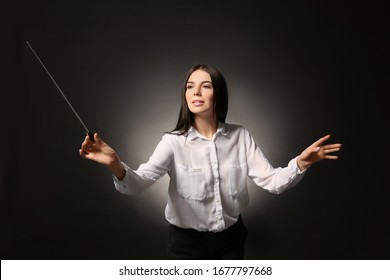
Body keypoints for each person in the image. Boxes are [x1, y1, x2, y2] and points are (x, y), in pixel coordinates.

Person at [79, 64, 342, 260]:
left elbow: (273, 182)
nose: (196, 91)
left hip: (231, 241)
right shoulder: (172, 142)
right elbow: (138, 182)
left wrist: (301, 162)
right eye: (190, 86)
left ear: (218, 93)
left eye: (205, 85)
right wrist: (115, 163)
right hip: (186, 245)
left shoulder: (240, 136)